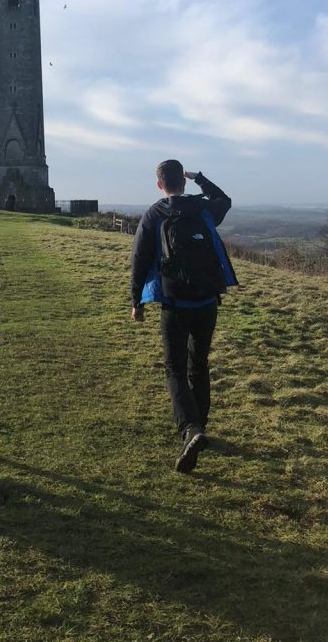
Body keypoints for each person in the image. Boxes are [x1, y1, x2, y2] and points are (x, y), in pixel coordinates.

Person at [130, 161, 237, 473]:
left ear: (159, 185)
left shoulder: (155, 214)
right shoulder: (202, 209)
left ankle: (191, 430)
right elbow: (226, 200)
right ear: (184, 182)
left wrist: (136, 300)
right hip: (206, 301)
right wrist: (201, 178)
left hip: (175, 303)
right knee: (198, 364)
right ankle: (200, 425)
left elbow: (139, 258)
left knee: (175, 369)